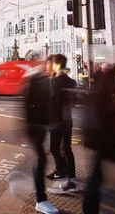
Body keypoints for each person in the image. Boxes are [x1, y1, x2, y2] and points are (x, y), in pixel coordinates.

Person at [83, 63, 115, 213]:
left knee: (96, 177)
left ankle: (90, 208)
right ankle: (89, 209)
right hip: (101, 139)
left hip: (98, 139)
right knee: (95, 179)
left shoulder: (98, 89)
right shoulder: (104, 94)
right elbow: (106, 119)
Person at [23, 56, 59, 214]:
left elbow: (48, 104)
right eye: (47, 64)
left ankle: (38, 195)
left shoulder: (46, 80)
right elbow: (27, 105)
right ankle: (40, 199)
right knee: (41, 160)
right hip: (36, 126)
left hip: (42, 125)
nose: (48, 66)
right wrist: (31, 130)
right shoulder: (34, 80)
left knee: (41, 160)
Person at [47, 54, 79, 193]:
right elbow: (74, 101)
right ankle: (71, 179)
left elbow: (51, 103)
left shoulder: (54, 82)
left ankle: (62, 170)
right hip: (67, 120)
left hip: (55, 120)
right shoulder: (71, 81)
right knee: (67, 148)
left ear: (57, 65)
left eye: (52, 63)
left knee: (54, 147)